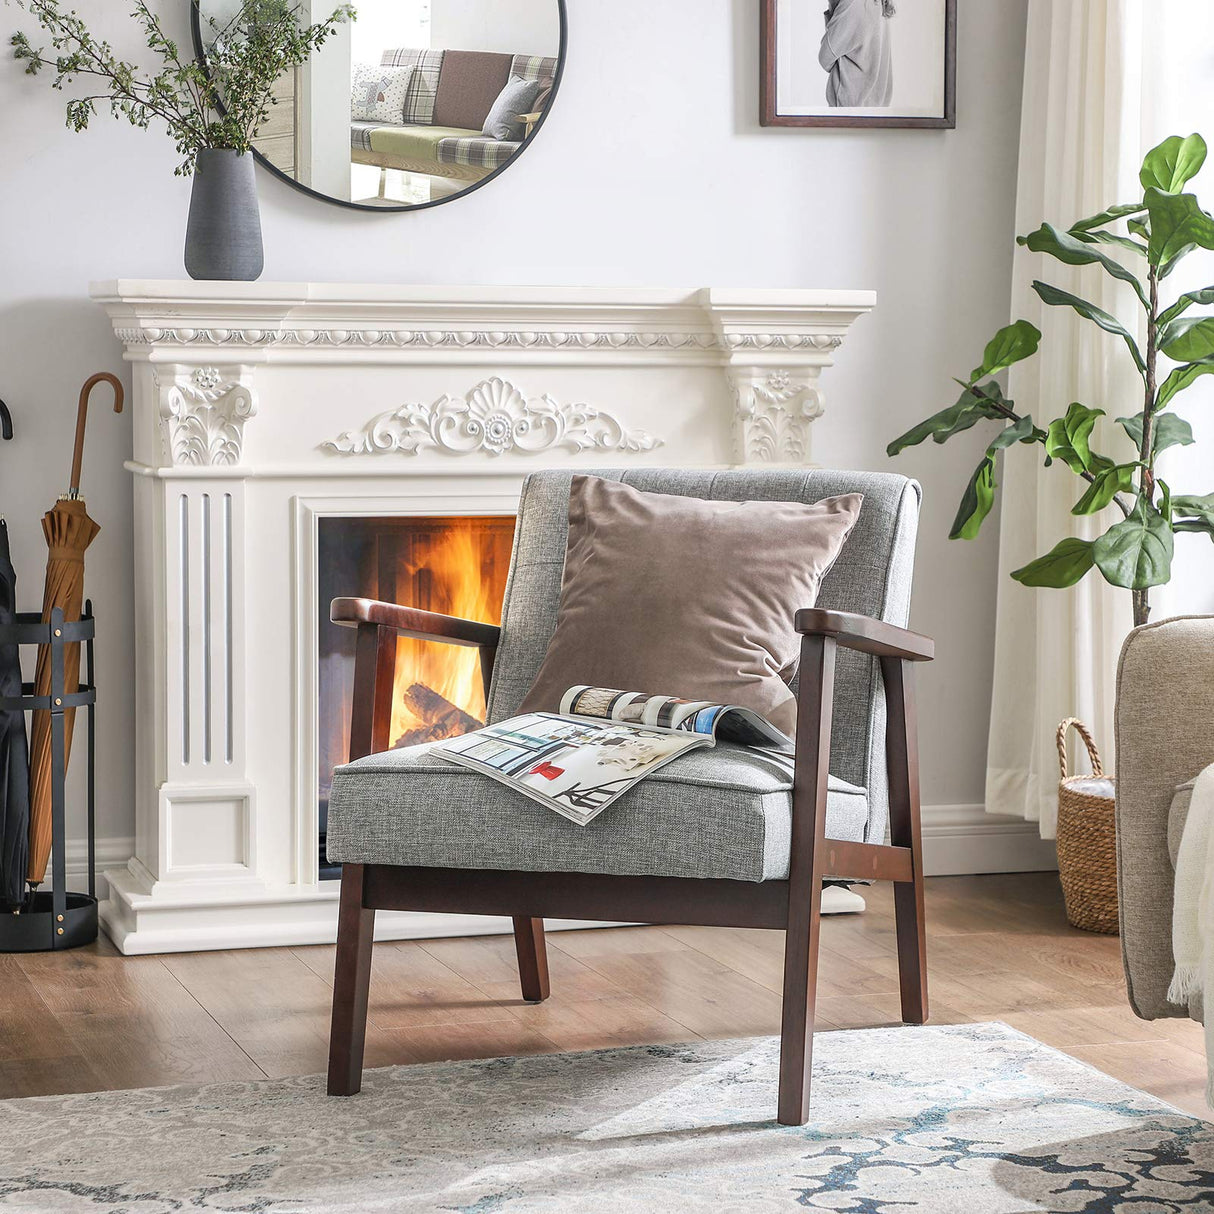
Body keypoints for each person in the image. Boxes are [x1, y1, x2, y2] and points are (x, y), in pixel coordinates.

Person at [819, 0, 894, 107]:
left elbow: (825, 57)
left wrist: (834, 6)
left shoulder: (852, 3)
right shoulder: (878, 2)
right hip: (877, 109)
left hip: (849, 109)